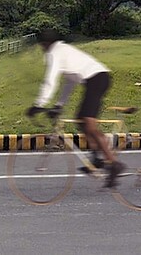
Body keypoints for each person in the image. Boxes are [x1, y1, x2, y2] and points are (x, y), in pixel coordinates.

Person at [26, 29, 125, 187]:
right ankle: (96, 159)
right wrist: (59, 105)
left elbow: (51, 80)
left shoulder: (54, 53)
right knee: (82, 121)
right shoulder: (63, 50)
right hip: (98, 79)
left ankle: (114, 164)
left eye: (41, 46)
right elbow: (70, 81)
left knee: (90, 125)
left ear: (45, 44)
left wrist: (39, 104)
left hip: (96, 79)